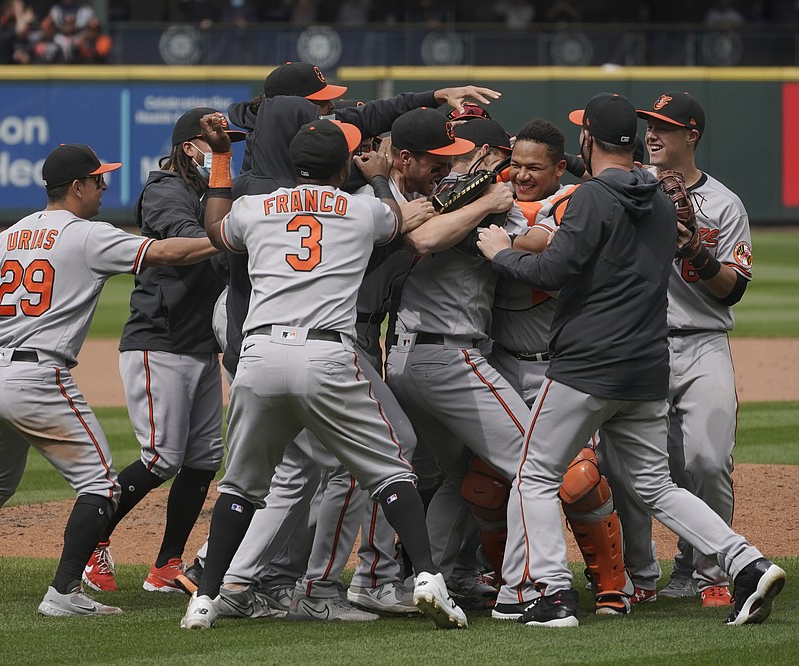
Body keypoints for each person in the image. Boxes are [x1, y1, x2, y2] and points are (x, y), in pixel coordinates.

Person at [475, 92, 785, 628]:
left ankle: (549, 594)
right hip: (647, 365)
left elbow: (552, 272)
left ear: (588, 139)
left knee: (534, 474)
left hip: (589, 362)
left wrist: (499, 254)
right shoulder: (664, 199)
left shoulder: (593, 197)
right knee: (656, 485)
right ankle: (745, 562)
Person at [0, 143, 213, 616]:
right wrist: (231, 236)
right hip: (38, 380)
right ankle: (64, 591)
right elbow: (167, 251)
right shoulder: (85, 235)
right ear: (77, 187)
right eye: (99, 180)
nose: (104, 188)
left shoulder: (8, 236)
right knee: (102, 486)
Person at [181, 114, 468, 631]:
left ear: (296, 166)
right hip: (328, 356)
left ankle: (204, 600)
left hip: (260, 355)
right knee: (390, 471)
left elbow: (214, 229)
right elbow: (398, 219)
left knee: (241, 487)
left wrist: (222, 159)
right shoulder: (361, 211)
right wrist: (379, 173)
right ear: (342, 167)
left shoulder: (256, 208)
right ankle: (427, 577)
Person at [81, 109, 243, 595]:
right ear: (188, 146)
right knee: (160, 457)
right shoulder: (164, 188)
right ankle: (92, 541)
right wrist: (238, 236)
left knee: (203, 458)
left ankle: (166, 564)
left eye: (227, 144)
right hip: (159, 339)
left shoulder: (211, 192)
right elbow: (187, 238)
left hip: (198, 343)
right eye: (212, 144)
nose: (220, 151)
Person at [607, 91, 755, 606]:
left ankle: (711, 570)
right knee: (626, 467)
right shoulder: (626, 188)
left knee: (707, 461)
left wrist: (694, 247)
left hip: (701, 343)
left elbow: (733, 288)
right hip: (638, 342)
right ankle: (642, 572)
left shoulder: (724, 204)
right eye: (649, 125)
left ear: (691, 135)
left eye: (665, 127)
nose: (652, 134)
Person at [484, 117, 632, 617]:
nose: (523, 175)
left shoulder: (569, 201)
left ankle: (613, 583)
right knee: (485, 480)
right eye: (516, 165)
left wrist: (500, 231)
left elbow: (540, 245)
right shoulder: (493, 192)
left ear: (558, 167)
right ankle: (506, 582)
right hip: (500, 361)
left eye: (535, 167)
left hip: (556, 365)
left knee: (577, 478)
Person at [383, 109, 528, 605]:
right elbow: (424, 238)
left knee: (458, 474)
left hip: (405, 358)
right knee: (535, 461)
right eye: (502, 157)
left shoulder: (421, 197)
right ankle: (527, 587)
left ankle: (426, 580)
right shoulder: (466, 201)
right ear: (485, 155)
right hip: (446, 357)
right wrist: (490, 198)